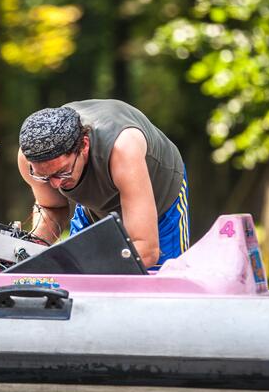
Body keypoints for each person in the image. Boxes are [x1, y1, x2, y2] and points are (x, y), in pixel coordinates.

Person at [17, 99, 189, 269]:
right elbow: (52, 208)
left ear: (84, 145)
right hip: (96, 203)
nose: (55, 185)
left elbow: (146, 251)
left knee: (157, 284)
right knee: (75, 286)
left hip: (160, 200)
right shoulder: (31, 156)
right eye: (44, 176)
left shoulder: (123, 148)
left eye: (63, 172)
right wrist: (28, 250)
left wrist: (83, 270)